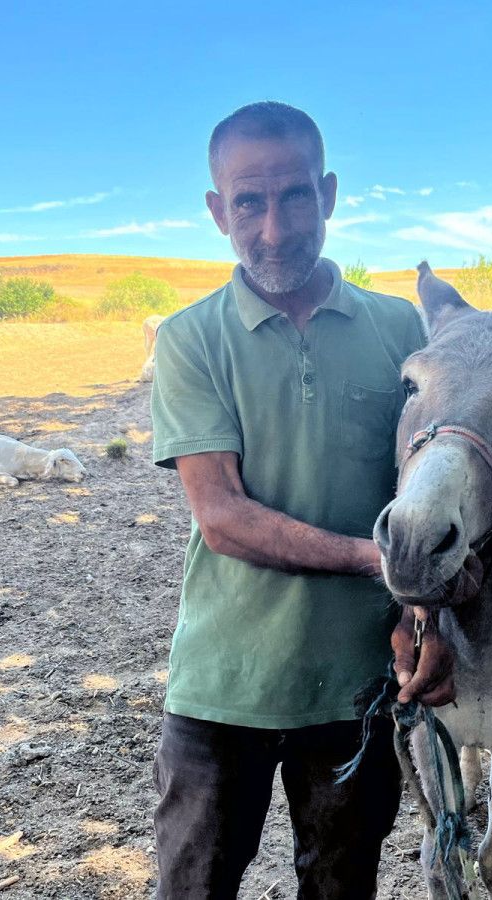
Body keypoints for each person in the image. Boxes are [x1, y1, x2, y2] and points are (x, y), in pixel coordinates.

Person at [150, 101, 454, 899]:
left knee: (341, 887)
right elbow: (222, 517)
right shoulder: (190, 339)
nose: (275, 229)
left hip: (357, 687)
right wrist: (381, 562)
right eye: (249, 202)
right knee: (193, 887)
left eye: (294, 197)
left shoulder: (401, 334)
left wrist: (428, 616)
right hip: (223, 685)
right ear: (218, 211)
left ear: (329, 194)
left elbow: (428, 495)